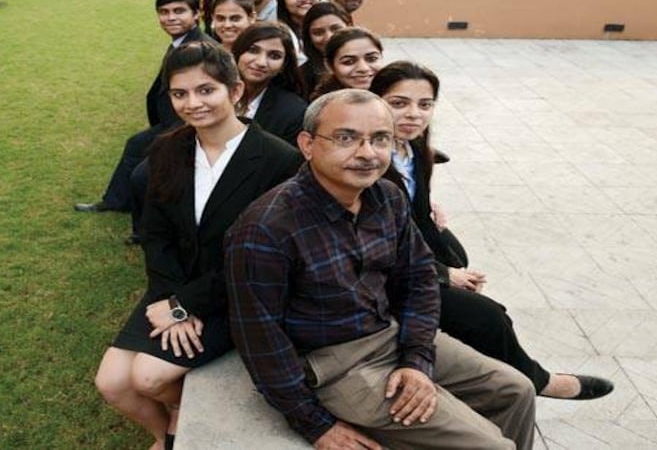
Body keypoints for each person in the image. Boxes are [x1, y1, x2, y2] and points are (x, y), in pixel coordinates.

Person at [225, 89, 536, 450]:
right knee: (491, 446)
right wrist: (314, 425)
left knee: (516, 390)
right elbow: (259, 337)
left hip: (391, 335)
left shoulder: (386, 197)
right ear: (307, 144)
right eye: (346, 138)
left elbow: (419, 279)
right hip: (336, 365)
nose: (367, 153)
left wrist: (417, 361)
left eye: (380, 139)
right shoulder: (266, 229)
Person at [95, 41, 303, 450]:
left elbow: (264, 259)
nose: (193, 103)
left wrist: (184, 306)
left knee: (149, 377)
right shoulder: (165, 150)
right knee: (112, 384)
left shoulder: (281, 161)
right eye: (180, 94)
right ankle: (165, 432)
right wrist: (171, 299)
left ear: (235, 90)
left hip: (239, 295)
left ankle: (178, 424)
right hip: (172, 286)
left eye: (206, 90)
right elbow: (155, 236)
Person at [370, 61, 615, 401]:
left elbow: (415, 213)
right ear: (375, 102)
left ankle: (464, 352)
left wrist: (435, 232)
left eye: (424, 105)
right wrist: (442, 275)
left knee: (457, 255)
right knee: (488, 315)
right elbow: (373, 247)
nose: (414, 114)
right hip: (375, 275)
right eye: (399, 103)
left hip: (408, 247)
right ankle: (539, 381)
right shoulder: (368, 162)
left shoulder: (414, 146)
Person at [75, 0, 211, 214]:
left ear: (196, 14)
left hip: (186, 126)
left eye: (179, 11)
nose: (170, 18)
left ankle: (144, 224)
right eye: (164, 12)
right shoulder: (182, 42)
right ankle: (117, 201)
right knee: (135, 145)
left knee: (146, 168)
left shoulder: (198, 48)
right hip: (170, 122)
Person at [231, 22, 307, 145]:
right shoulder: (211, 93)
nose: (261, 62)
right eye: (253, 50)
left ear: (284, 65)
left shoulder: (293, 112)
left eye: (274, 56)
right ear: (238, 52)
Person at [311, 26, 383, 98]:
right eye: (349, 62)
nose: (363, 68)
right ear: (329, 65)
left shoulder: (389, 98)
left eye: (372, 59)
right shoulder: (324, 106)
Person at [299, 2, 352, 96]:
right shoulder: (300, 78)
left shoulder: (368, 67)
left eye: (336, 29)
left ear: (350, 26)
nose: (328, 37)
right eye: (318, 33)